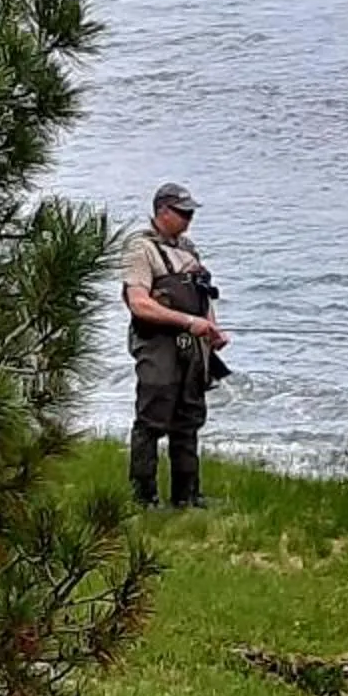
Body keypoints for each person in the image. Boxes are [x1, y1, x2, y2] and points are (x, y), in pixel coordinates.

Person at [121, 181, 226, 509]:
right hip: (156, 344)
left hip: (194, 345)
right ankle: (144, 497)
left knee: (189, 418)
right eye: (183, 213)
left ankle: (187, 496)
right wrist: (187, 322)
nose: (188, 219)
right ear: (162, 211)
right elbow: (139, 304)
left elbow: (203, 295)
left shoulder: (189, 249)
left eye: (190, 213)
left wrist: (212, 328)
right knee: (152, 417)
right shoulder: (139, 249)